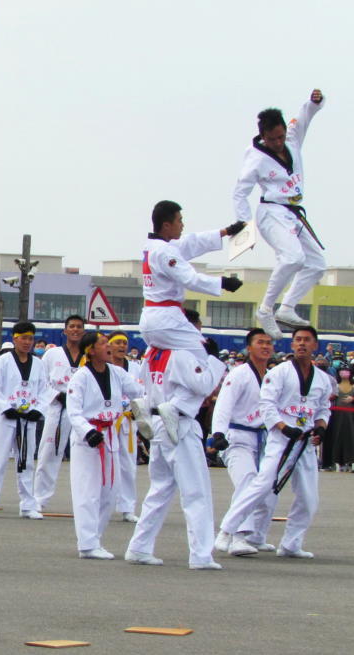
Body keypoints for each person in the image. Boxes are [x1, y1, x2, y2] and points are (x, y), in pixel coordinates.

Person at [214, 327, 331, 559]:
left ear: (315, 345)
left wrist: (321, 426)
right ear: (292, 345)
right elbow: (266, 405)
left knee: (309, 498)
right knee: (261, 485)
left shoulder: (323, 379)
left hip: (304, 443)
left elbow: (323, 409)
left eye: (307, 340)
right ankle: (228, 530)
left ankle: (290, 544)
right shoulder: (278, 373)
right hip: (278, 439)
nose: (301, 344)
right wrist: (282, 427)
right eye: (297, 340)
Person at [135, 201, 244, 442]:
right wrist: (223, 283)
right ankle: (176, 407)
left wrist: (225, 232)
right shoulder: (164, 252)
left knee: (158, 359)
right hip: (167, 318)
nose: (183, 225)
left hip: (151, 319)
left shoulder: (154, 246)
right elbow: (189, 278)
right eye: (179, 221)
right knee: (206, 361)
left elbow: (190, 243)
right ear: (167, 225)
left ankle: (146, 401)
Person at [124, 341, 227, 569]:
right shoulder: (183, 352)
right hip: (178, 423)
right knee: (196, 492)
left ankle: (139, 546)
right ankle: (201, 555)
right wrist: (212, 359)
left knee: (159, 488)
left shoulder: (153, 351)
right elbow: (203, 385)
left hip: (158, 420)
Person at [233, 90, 326, 339]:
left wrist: (313, 102)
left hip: (294, 212)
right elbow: (240, 193)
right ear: (263, 137)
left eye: (281, 137)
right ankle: (265, 309)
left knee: (317, 264)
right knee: (293, 258)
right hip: (271, 211)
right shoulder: (254, 159)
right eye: (273, 139)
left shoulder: (292, 139)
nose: (278, 142)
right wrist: (245, 226)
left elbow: (304, 117)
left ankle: (286, 308)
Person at [67, 332, 143, 559]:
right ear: (90, 350)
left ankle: (95, 539)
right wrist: (88, 431)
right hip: (88, 438)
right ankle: (87, 544)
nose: (108, 346)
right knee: (87, 492)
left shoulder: (118, 373)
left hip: (110, 434)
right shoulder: (80, 377)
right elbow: (73, 411)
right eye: (102, 343)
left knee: (110, 491)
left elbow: (140, 391)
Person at [210, 328, 278, 556]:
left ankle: (257, 536)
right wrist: (217, 433)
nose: (266, 346)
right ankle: (237, 537)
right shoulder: (239, 374)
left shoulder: (271, 375)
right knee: (247, 482)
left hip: (263, 438)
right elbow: (224, 404)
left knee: (267, 489)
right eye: (260, 342)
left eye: (269, 343)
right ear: (249, 348)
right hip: (236, 437)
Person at [0, 321, 49, 520]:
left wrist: (38, 409)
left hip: (28, 420)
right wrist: (6, 407)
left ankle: (28, 505)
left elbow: (45, 390)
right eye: (23, 338)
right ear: (15, 339)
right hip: (6, 418)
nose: (27, 342)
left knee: (26, 462)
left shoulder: (38, 364)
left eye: (30, 339)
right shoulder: (3, 361)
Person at [33, 315, 85, 512]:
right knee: (48, 454)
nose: (75, 330)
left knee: (85, 456)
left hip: (81, 410)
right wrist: (56, 395)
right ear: (65, 331)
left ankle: (84, 500)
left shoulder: (89, 354)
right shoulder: (52, 355)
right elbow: (42, 381)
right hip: (57, 407)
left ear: (83, 331)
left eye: (79, 327)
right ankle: (39, 498)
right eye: (71, 326)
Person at [107, 331, 143, 522]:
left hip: (128, 419)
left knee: (128, 464)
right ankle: (101, 503)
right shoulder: (103, 366)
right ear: (109, 346)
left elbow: (142, 392)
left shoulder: (136, 367)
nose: (122, 346)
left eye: (124, 343)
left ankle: (127, 507)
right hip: (106, 421)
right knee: (103, 463)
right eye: (117, 343)